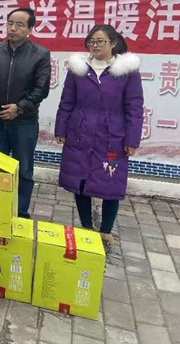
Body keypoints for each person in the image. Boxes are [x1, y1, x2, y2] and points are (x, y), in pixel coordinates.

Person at [55, 24, 143, 248]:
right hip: (80, 134)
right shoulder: (79, 69)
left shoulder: (126, 72)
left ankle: (105, 230)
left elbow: (134, 108)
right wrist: (61, 129)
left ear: (113, 43)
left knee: (111, 183)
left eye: (100, 41)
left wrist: (132, 140)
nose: (95, 45)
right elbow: (67, 102)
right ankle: (86, 226)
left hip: (112, 137)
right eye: (91, 41)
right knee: (79, 182)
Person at [0, 7, 51, 219]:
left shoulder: (40, 54)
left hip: (24, 123)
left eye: (19, 25)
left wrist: (18, 108)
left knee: (24, 169)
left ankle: (20, 212)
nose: (12, 28)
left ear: (30, 29)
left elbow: (41, 89)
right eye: (10, 23)